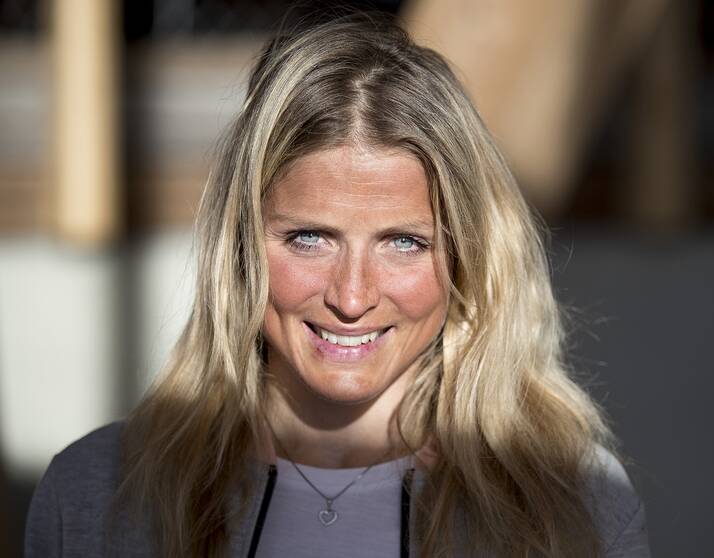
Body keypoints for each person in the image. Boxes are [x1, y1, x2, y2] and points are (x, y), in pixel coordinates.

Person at [25, 16, 650, 558]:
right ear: (241, 245)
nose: (351, 298)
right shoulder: (95, 495)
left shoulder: (572, 502)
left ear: (469, 256)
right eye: (309, 238)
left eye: (404, 242)